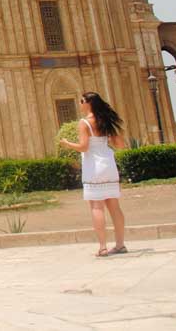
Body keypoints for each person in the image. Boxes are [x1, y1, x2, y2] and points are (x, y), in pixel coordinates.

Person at [59, 91, 126, 257]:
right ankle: (120, 244)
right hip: (108, 163)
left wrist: (67, 144)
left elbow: (83, 147)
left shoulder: (84, 123)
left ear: (88, 103)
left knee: (97, 206)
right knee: (114, 207)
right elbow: (120, 145)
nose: (80, 104)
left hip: (94, 166)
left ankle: (103, 247)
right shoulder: (106, 121)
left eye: (81, 101)